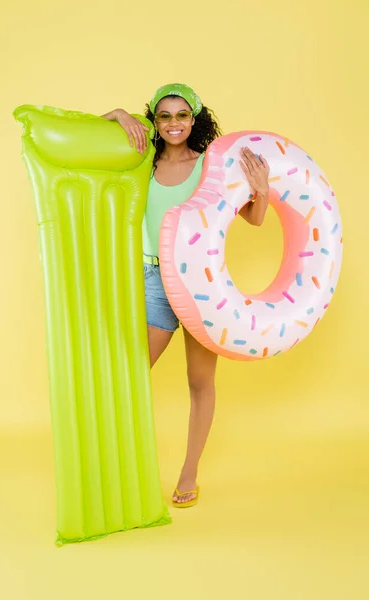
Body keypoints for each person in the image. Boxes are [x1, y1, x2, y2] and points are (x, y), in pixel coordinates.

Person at [101, 83, 270, 508]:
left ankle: (189, 472)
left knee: (199, 382)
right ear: (155, 122)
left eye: (181, 115)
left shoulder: (209, 166)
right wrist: (120, 113)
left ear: (194, 120)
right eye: (164, 116)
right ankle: (119, 464)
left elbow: (253, 219)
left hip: (201, 282)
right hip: (155, 279)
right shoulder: (143, 159)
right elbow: (89, 132)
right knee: (128, 376)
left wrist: (261, 191)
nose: (173, 123)